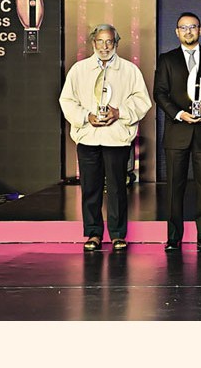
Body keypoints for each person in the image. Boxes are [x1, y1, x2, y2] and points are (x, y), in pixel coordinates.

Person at [59, 24, 151, 252]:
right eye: (100, 41)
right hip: (88, 138)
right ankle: (93, 233)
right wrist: (86, 117)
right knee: (91, 187)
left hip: (116, 138)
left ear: (116, 44)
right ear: (93, 44)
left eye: (109, 41)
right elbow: (67, 101)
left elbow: (142, 101)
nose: (104, 46)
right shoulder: (79, 70)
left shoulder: (129, 70)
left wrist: (119, 112)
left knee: (118, 188)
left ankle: (119, 235)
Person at [154, 12, 201, 252]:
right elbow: (160, 93)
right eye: (183, 28)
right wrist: (178, 114)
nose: (188, 31)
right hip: (177, 131)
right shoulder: (167, 59)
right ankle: (173, 237)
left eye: (193, 27)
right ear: (177, 32)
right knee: (174, 187)